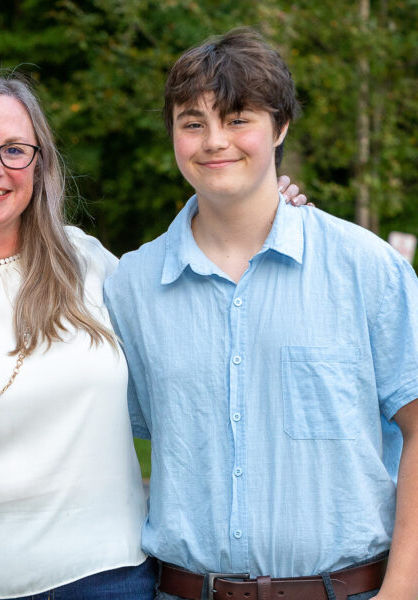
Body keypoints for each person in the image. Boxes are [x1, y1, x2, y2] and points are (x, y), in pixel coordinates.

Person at [0, 75, 306, 600]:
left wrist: (259, 205)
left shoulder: (91, 267)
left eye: (16, 150)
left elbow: (202, 335)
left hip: (104, 579)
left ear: (40, 166)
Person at [105, 28, 418, 600]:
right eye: (192, 122)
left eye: (238, 118)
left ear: (281, 127)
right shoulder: (128, 287)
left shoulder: (366, 267)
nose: (214, 141)